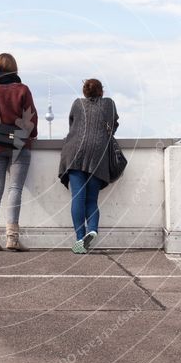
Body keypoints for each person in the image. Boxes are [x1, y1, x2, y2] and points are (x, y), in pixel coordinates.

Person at [0, 53, 38, 251]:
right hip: (19, 145)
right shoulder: (22, 89)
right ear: (14, 68)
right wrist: (29, 135)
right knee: (15, 190)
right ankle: (12, 239)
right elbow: (31, 119)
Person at [58, 78, 119, 254]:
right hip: (98, 154)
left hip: (75, 152)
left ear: (84, 92)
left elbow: (72, 126)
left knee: (78, 197)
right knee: (91, 199)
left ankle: (80, 238)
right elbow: (113, 126)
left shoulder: (77, 104)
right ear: (102, 91)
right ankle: (92, 228)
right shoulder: (109, 104)